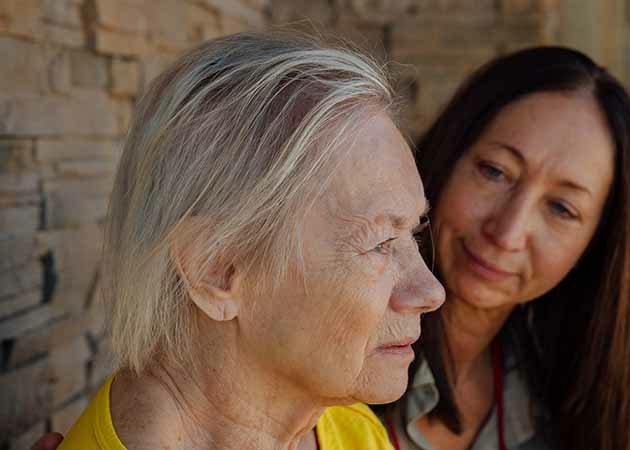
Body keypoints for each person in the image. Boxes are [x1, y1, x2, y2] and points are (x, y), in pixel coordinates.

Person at [45, 31, 445, 450]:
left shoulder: (349, 430)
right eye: (380, 243)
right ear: (217, 268)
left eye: (413, 232)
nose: (430, 291)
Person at [376, 47, 630, 450]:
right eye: (494, 172)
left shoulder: (563, 409)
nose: (508, 233)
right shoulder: (338, 358)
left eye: (561, 208)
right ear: (448, 153)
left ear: (597, 244)